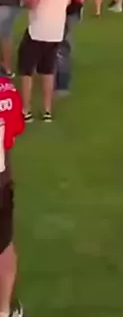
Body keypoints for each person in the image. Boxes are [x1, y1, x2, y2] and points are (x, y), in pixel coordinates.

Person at [18, 0, 72, 122]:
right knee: (48, 71)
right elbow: (68, 0)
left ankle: (26, 110)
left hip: (38, 30)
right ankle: (47, 110)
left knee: (26, 71)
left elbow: (33, 2)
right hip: (56, 31)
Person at [0, 70, 25, 317]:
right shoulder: (7, 91)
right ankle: (4, 310)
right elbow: (13, 133)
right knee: (5, 245)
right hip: (1, 182)